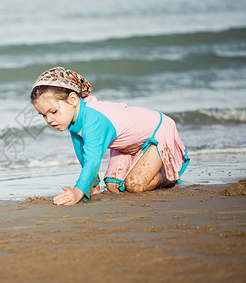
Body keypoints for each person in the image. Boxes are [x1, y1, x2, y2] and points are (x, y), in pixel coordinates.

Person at [30, 66, 190, 206]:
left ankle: (168, 176)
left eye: (53, 112)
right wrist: (92, 186)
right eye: (43, 115)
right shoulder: (73, 120)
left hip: (156, 134)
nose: (49, 120)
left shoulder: (94, 120)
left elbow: (93, 159)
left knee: (134, 185)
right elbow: (83, 154)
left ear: (72, 99)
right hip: (127, 145)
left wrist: (78, 191)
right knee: (113, 186)